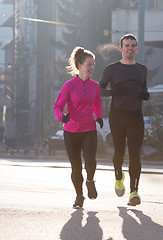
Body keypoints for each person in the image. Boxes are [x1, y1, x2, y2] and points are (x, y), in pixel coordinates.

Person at [99, 34, 150, 206]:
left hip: (136, 116)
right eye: (126, 45)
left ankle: (134, 192)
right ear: (121, 48)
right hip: (117, 116)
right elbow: (100, 89)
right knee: (119, 152)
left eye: (133, 45)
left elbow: (144, 89)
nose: (130, 48)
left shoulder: (142, 69)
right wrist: (112, 93)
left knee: (135, 154)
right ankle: (118, 177)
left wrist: (145, 94)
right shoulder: (112, 69)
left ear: (136, 48)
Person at [54, 47, 103, 209]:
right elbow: (57, 106)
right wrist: (63, 117)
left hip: (89, 128)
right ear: (79, 65)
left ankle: (90, 180)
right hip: (71, 131)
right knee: (75, 165)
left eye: (93, 64)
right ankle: (79, 196)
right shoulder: (69, 86)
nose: (92, 68)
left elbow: (97, 103)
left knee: (90, 159)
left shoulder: (95, 86)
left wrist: (99, 116)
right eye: (89, 64)